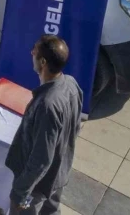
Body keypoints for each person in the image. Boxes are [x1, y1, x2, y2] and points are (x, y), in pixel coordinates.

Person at [6, 35, 83, 215]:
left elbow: (41, 159)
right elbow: (76, 127)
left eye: (35, 50)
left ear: (42, 62)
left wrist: (20, 192)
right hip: (59, 173)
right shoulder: (71, 83)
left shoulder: (47, 105)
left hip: (38, 185)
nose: (31, 52)